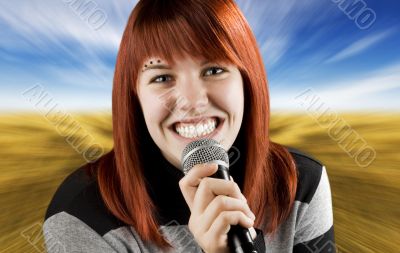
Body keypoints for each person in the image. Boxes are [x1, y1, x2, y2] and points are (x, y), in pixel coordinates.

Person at [43, 0, 336, 252]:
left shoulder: (300, 183)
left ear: (248, 82)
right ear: (134, 98)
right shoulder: (81, 215)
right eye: (162, 77)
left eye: (214, 69)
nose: (192, 101)